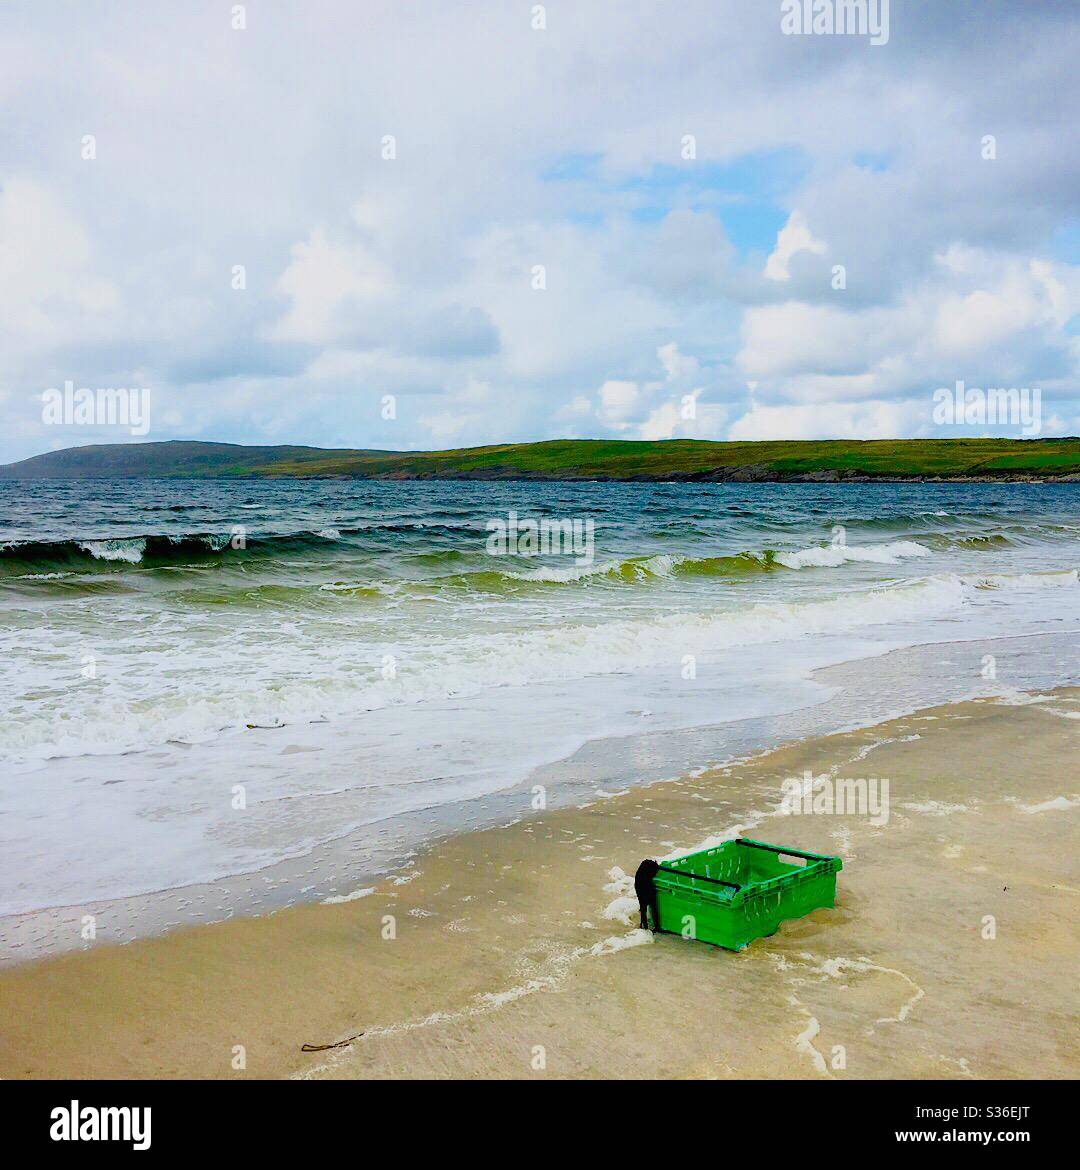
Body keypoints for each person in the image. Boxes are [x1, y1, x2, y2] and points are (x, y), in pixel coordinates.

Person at [634, 858, 661, 932]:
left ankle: (644, 927)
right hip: (643, 887)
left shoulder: (644, 869)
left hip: (642, 885)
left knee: (644, 907)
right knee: (652, 907)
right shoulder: (648, 869)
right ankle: (654, 927)